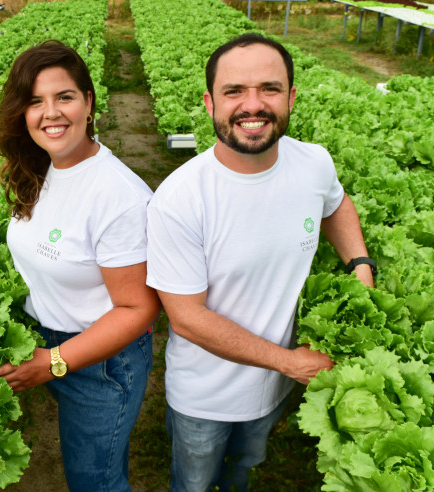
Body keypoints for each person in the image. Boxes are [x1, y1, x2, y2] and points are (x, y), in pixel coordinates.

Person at [145, 33, 375, 492]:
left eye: (269, 89)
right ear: (210, 103)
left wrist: (360, 264)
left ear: (289, 97)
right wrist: (289, 362)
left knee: (242, 472)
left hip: (276, 388)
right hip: (206, 398)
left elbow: (337, 205)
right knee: (193, 483)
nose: (254, 105)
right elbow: (188, 319)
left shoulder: (312, 163)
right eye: (235, 92)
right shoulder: (180, 198)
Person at [0, 40, 160, 492]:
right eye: (34, 101)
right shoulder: (41, 168)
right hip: (51, 341)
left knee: (94, 482)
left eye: (64, 97)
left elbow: (138, 310)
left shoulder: (118, 197)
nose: (51, 113)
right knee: (100, 463)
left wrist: (53, 362)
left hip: (101, 363)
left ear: (88, 102)